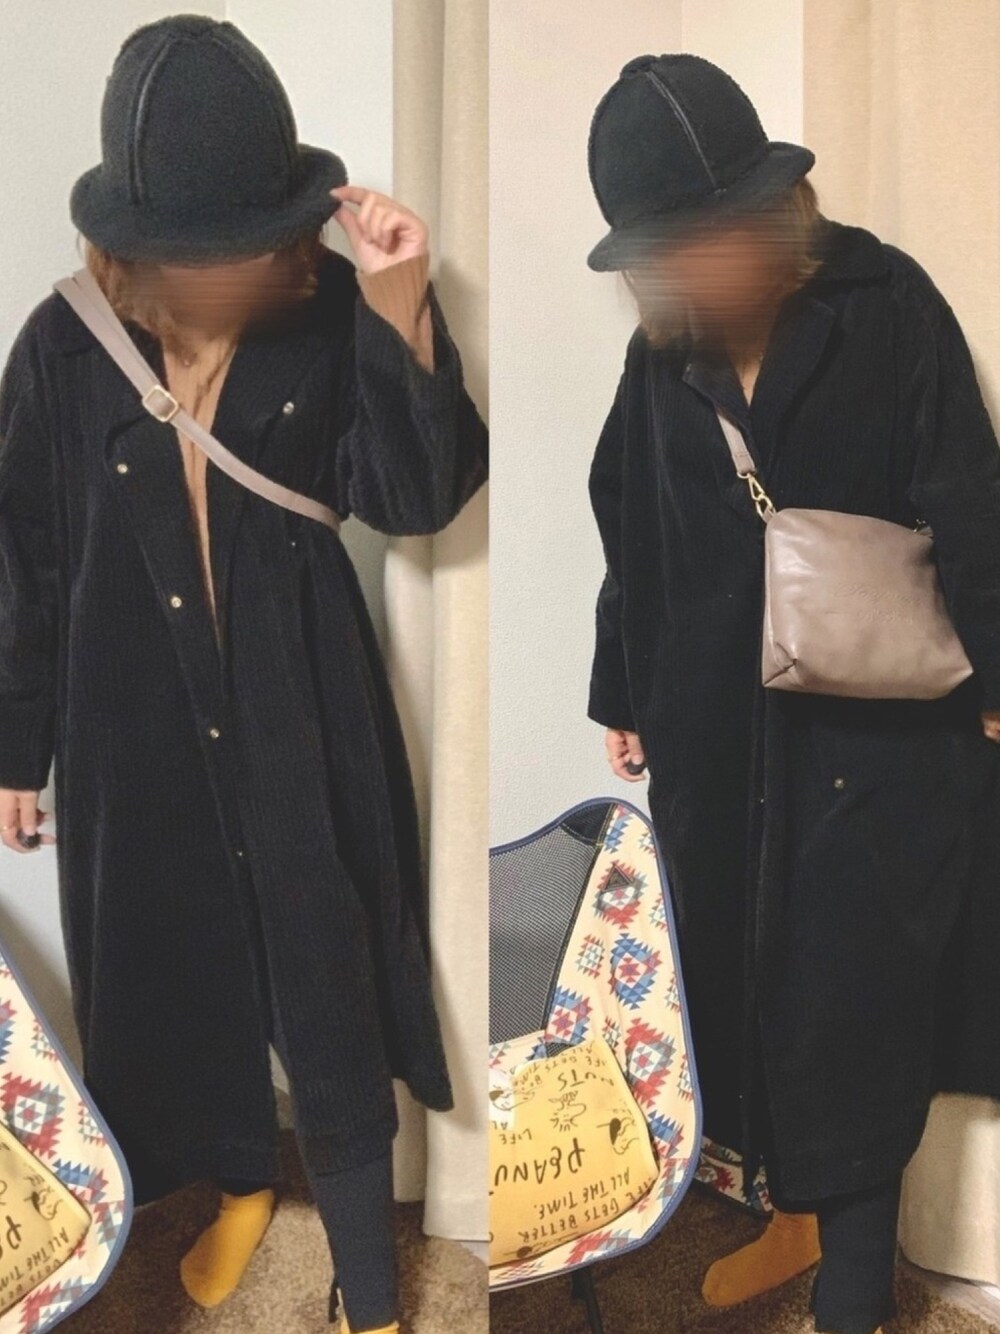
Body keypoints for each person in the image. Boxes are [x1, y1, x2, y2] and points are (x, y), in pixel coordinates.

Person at [0, 17, 486, 1334]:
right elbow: (22, 556)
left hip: (296, 703)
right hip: (130, 716)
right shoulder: (59, 346)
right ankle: (236, 1182)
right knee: (175, 960)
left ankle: (371, 1280)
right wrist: (16, 745)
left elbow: (416, 494)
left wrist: (399, 302)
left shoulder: (326, 315)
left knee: (325, 970)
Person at [585, 54, 1000, 1334]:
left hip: (873, 740)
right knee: (745, 984)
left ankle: (856, 1283)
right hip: (716, 729)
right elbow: (627, 522)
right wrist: (622, 683)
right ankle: (790, 1214)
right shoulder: (662, 357)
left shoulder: (887, 304)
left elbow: (969, 494)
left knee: (855, 1001)